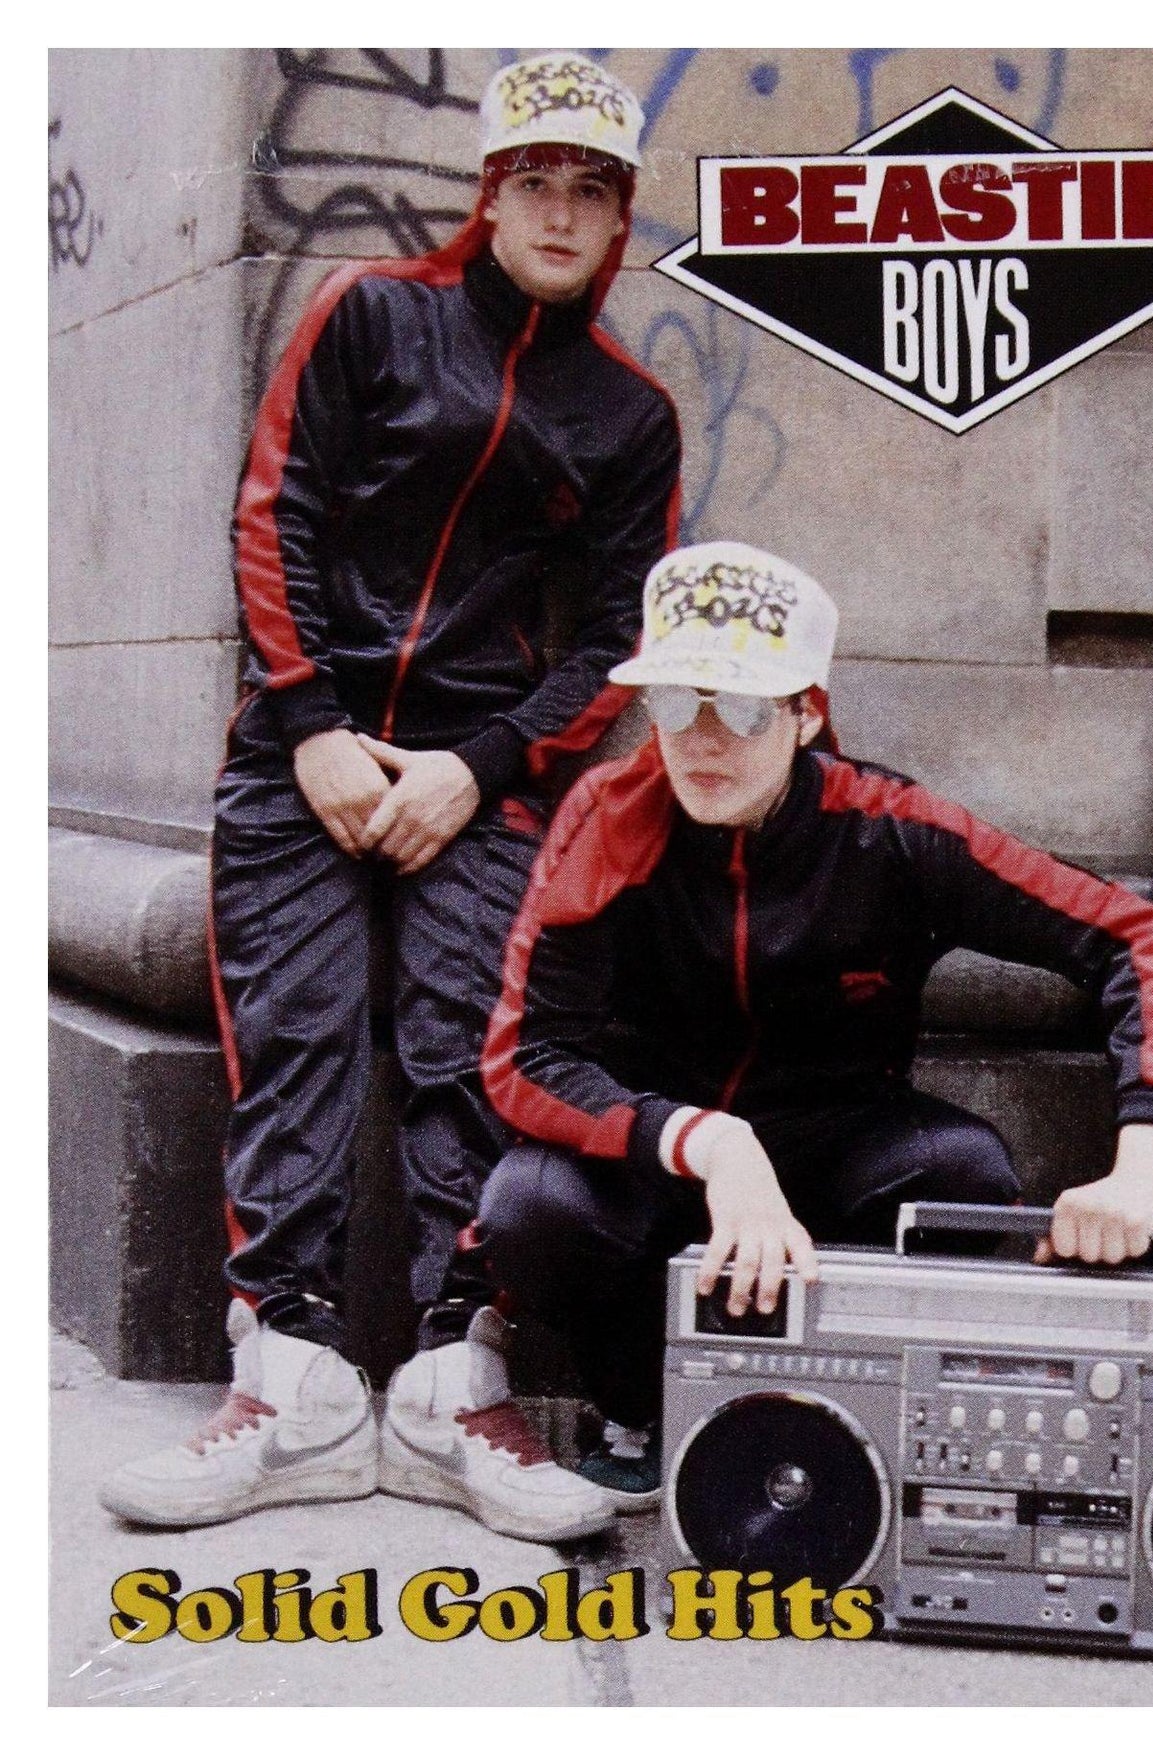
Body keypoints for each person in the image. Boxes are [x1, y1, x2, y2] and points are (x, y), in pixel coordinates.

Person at [100, 53, 682, 1544]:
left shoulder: (628, 411)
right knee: (292, 1038)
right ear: (489, 193)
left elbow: (624, 636)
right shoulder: (372, 313)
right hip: (305, 744)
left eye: (592, 190)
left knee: (469, 1055)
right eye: (534, 181)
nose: (560, 213)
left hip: (478, 769)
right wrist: (311, 724)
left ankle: (449, 1394)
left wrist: (477, 767)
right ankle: (288, 1390)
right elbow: (274, 510)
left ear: (621, 216)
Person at [474, 540, 1153, 1510]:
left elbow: (1136, 937)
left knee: (963, 1172)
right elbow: (525, 1057)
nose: (701, 739)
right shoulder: (609, 814)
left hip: (832, 1156)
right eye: (676, 700)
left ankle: (832, 1407)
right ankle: (637, 1410)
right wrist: (705, 1141)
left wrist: (1148, 1157)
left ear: (805, 713)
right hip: (663, 1158)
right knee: (529, 1205)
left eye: (741, 707)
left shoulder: (889, 828)